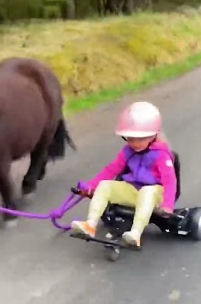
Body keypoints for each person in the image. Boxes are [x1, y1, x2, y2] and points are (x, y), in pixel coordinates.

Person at [71, 101, 178, 247]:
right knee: (105, 186)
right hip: (134, 190)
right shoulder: (128, 151)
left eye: (140, 138)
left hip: (155, 193)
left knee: (147, 191)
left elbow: (170, 181)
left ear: (153, 135)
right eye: (130, 138)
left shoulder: (162, 155)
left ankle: (136, 233)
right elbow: (112, 169)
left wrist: (167, 206)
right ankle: (90, 224)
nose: (135, 143)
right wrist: (91, 186)